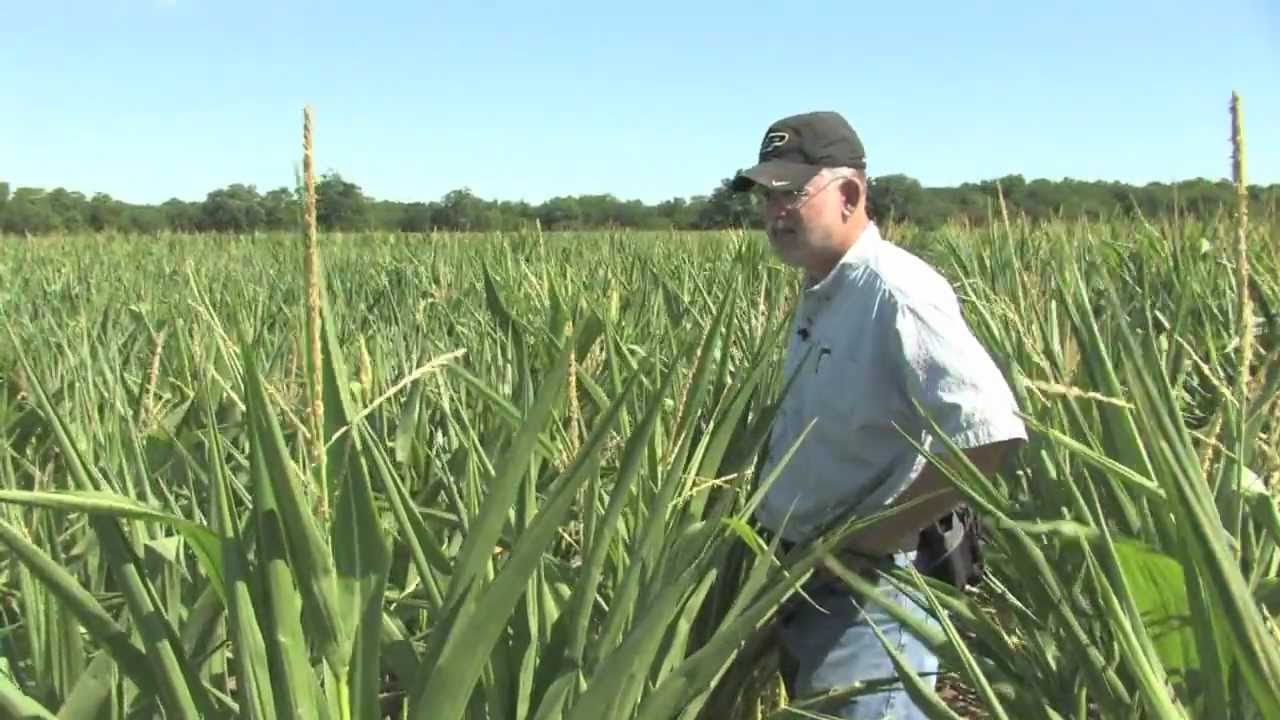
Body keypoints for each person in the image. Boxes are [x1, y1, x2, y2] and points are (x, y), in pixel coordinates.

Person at [731, 111, 1027, 719]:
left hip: (874, 592)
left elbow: (990, 429)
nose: (774, 212)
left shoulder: (895, 291)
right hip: (813, 577)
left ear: (848, 194)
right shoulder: (827, 289)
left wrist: (874, 539)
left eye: (791, 193)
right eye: (766, 197)